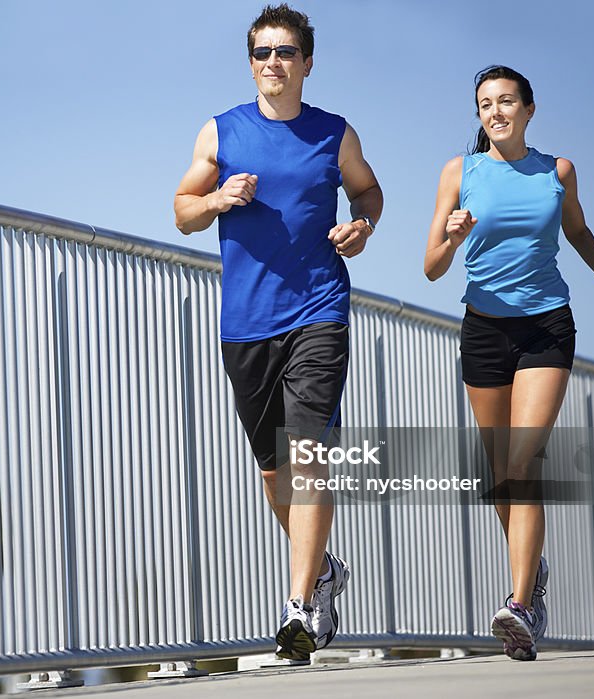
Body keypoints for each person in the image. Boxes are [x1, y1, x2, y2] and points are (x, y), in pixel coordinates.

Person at [173, 4, 383, 661]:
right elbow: (181, 210)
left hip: (318, 308)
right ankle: (321, 571)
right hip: (245, 323)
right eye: (262, 52)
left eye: (286, 52)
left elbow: (368, 191)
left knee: (308, 454)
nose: (273, 62)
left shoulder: (334, 133)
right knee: (274, 472)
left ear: (307, 62)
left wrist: (361, 225)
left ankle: (298, 605)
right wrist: (214, 200)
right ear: (251, 61)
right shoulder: (221, 131)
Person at [424, 65, 594, 661]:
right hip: (484, 329)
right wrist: (453, 233)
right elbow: (432, 266)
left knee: (524, 459)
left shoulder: (558, 171)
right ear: (478, 115)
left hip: (547, 326)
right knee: (502, 476)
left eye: (506, 102)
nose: (495, 112)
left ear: (529, 109)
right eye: (484, 104)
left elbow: (578, 230)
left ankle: (520, 604)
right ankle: (534, 572)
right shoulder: (458, 172)